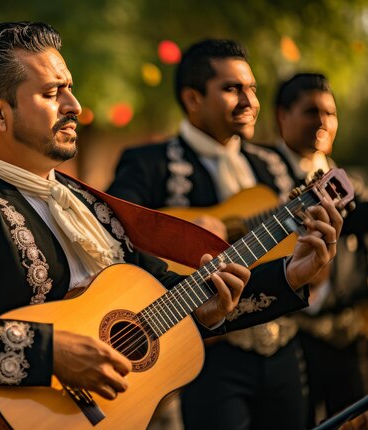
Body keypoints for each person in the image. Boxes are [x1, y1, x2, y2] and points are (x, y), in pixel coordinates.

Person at [0, 23, 342, 429]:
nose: (74, 105)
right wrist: (49, 352)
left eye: (69, 88)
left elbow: (172, 297)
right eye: (52, 93)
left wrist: (289, 276)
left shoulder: (86, 204)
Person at [107, 40, 330, 430]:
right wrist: (182, 236)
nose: (249, 101)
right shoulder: (148, 164)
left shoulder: (272, 163)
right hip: (209, 356)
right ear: (192, 99)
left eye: (252, 89)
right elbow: (115, 234)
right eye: (232, 89)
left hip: (282, 347)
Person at [274, 73, 368, 426]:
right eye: (311, 111)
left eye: (331, 113)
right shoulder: (265, 176)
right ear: (283, 115)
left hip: (345, 335)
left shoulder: (352, 183)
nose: (323, 122)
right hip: (291, 337)